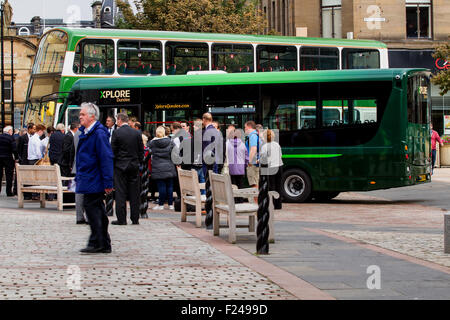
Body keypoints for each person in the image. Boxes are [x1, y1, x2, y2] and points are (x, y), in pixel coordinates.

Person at [76, 102, 114, 254]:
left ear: (92, 116)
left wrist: (108, 181)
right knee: (96, 209)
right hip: (89, 176)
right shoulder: (88, 132)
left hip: (94, 178)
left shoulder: (98, 133)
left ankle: (97, 241)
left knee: (93, 209)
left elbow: (106, 158)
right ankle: (102, 242)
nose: (80, 117)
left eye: (83, 114)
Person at [111, 113, 144, 225]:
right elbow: (141, 151)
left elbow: (113, 151)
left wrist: (114, 164)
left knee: (120, 193)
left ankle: (121, 219)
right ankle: (135, 218)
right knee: (134, 193)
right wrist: (138, 162)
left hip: (120, 166)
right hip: (134, 165)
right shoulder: (136, 133)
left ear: (119, 120)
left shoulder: (116, 133)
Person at [149, 126, 176, 210]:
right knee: (170, 186)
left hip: (157, 167)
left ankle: (161, 205)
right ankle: (171, 204)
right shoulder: (170, 142)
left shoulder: (152, 143)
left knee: (161, 187)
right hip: (169, 166)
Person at [260, 129, 283, 209]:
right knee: (278, 186)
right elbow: (280, 155)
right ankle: (278, 205)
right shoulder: (277, 144)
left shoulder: (265, 146)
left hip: (271, 167)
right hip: (279, 166)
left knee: (271, 186)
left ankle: (271, 204)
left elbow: (263, 158)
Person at [226, 127, 248, 203]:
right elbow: (246, 157)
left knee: (233, 184)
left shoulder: (228, 144)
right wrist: (245, 166)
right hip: (241, 167)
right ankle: (240, 200)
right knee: (240, 184)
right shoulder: (242, 145)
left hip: (231, 167)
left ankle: (234, 200)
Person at [71, 126, 88, 225]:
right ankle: (89, 216)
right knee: (88, 192)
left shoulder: (77, 133)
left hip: (77, 166)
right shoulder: (89, 133)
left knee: (79, 192)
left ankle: (79, 216)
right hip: (87, 166)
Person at [0, 126, 18, 196]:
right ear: (9, 131)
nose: (12, 133)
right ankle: (9, 192)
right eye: (11, 131)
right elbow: (14, 149)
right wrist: (16, 158)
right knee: (9, 175)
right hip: (8, 158)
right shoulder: (11, 138)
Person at [244, 121, 261, 188]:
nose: (244, 129)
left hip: (253, 164)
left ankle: (255, 198)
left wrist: (249, 161)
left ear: (249, 127)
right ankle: (256, 198)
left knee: (253, 184)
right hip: (255, 163)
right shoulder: (255, 135)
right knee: (255, 182)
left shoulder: (252, 135)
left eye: (245, 127)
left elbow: (253, 149)